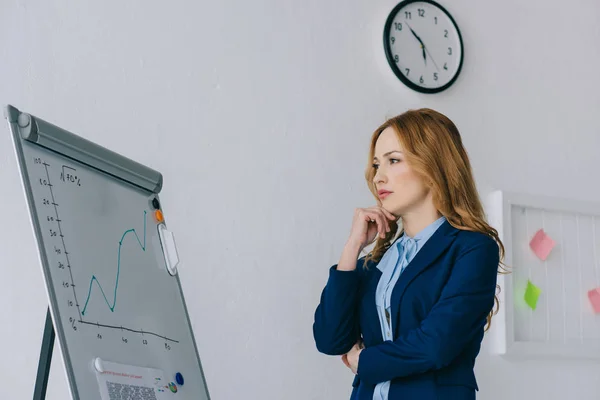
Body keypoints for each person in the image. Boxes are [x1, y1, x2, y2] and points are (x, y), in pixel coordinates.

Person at [312, 108, 506, 400]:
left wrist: (364, 361)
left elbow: (435, 344)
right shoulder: (376, 261)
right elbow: (330, 339)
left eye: (393, 160)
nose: (379, 177)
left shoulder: (473, 248)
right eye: (377, 165)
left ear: (433, 165)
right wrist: (353, 247)